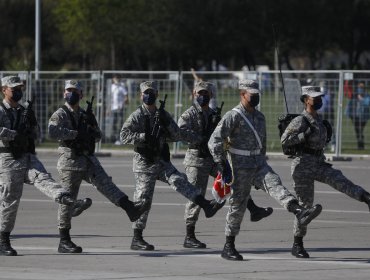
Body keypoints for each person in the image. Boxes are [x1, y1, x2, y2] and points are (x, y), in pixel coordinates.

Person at [208, 79, 323, 261]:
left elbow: (261, 145)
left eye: (257, 94)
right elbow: (214, 140)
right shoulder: (233, 116)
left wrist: (262, 163)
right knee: (238, 204)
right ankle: (229, 245)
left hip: (258, 163)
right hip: (239, 165)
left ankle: (298, 210)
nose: (255, 97)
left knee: (275, 183)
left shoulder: (260, 117)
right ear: (242, 94)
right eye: (252, 95)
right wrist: (221, 163)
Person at [120, 80, 224, 251]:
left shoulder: (163, 114)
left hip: (161, 161)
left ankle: (206, 205)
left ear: (157, 95)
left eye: (152, 92)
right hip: (144, 163)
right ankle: (137, 237)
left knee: (180, 181)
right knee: (143, 200)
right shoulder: (137, 115)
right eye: (146, 92)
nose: (149, 95)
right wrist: (143, 137)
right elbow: (124, 135)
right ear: (141, 95)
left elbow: (177, 135)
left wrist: (166, 123)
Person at [48, 79, 149, 254]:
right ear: (64, 93)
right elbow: (52, 131)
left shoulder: (85, 114)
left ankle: (130, 208)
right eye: (68, 90)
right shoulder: (61, 114)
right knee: (68, 199)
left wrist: (91, 129)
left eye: (75, 90)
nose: (71, 93)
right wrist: (76, 134)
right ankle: (64, 240)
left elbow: (97, 136)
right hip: (70, 162)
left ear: (81, 94)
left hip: (88, 159)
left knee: (107, 184)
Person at [0, 76, 91, 256]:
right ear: (4, 90)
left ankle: (68, 200)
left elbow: (37, 134)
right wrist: (14, 134)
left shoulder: (24, 110)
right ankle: (3, 240)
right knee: (10, 199)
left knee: (43, 177)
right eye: (13, 88)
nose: (17, 91)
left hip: (26, 155)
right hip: (8, 157)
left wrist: (31, 126)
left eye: (20, 88)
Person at [178, 80, 273, 249]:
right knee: (196, 193)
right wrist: (199, 138)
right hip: (196, 158)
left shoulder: (215, 114)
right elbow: (180, 132)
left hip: (213, 159)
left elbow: (223, 135)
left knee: (234, 180)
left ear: (211, 95)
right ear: (194, 94)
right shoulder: (189, 114)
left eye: (206, 93)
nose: (203, 96)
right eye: (200, 93)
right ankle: (189, 234)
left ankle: (253, 209)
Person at [281, 85, 370, 258]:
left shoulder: (320, 121)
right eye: (315, 98)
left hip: (319, 162)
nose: (319, 100)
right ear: (306, 100)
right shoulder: (301, 121)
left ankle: (365, 197)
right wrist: (303, 135)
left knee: (339, 179)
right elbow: (285, 141)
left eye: (320, 97)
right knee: (306, 207)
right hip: (303, 166)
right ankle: (297, 244)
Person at [345, 81, 370, 150]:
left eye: (362, 87)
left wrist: (361, 99)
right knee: (358, 130)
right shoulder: (354, 94)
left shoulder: (367, 95)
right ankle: (360, 145)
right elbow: (349, 102)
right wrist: (348, 113)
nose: (361, 88)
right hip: (355, 116)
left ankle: (361, 145)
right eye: (359, 87)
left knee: (360, 130)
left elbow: (368, 103)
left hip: (364, 116)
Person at [111, 75, 129, 145]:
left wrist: (125, 101)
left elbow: (126, 96)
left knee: (121, 124)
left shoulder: (121, 86)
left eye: (117, 78)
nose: (116, 79)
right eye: (115, 78)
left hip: (120, 108)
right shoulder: (112, 87)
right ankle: (115, 138)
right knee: (114, 124)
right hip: (113, 108)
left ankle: (120, 138)